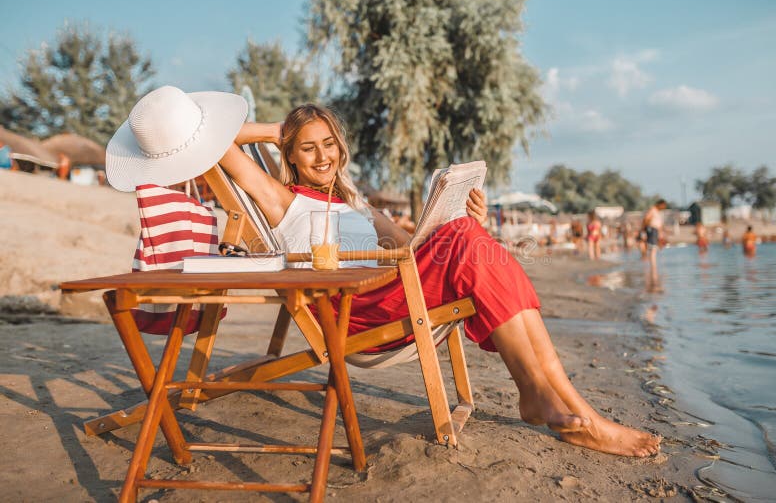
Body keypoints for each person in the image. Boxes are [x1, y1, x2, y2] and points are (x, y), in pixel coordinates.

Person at [105, 86, 661, 458]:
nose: (321, 156)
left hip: (392, 286)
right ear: (290, 156)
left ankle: (556, 401)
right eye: (306, 148)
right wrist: (283, 126)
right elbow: (218, 144)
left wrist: (466, 218)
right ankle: (571, 412)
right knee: (469, 245)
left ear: (340, 148)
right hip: (356, 309)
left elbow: (409, 245)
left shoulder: (358, 204)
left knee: (472, 237)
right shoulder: (280, 199)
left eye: (328, 143)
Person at [642, 199, 667, 288]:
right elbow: (646, 219)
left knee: (654, 248)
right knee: (652, 248)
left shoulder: (657, 211)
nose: (664, 207)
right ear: (659, 204)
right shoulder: (653, 210)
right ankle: (653, 267)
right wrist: (646, 229)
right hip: (652, 230)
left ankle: (653, 267)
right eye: (663, 205)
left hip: (655, 230)